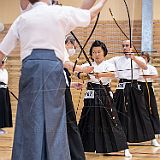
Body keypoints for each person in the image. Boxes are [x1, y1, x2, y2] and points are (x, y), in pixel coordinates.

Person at [0, 0, 108, 160]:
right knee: (55, 122)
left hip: (30, 70)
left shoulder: (23, 18)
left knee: (29, 120)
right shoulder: (59, 13)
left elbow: (2, 52)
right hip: (53, 70)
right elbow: (90, 13)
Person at [78, 40, 132, 157]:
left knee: (111, 119)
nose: (96, 54)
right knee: (87, 119)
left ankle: (124, 147)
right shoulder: (88, 65)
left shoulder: (108, 64)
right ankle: (81, 146)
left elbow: (113, 74)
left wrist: (101, 74)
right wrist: (84, 74)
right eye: (94, 52)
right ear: (91, 54)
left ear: (104, 53)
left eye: (99, 52)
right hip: (91, 94)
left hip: (103, 93)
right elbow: (78, 72)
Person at [107, 40, 156, 144]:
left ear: (132, 47)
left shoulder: (137, 58)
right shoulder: (117, 59)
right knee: (120, 112)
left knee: (142, 112)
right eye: (123, 46)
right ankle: (123, 139)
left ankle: (152, 138)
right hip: (121, 87)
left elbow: (145, 67)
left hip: (133, 86)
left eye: (127, 46)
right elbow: (105, 63)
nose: (125, 48)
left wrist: (133, 58)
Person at [138, 52, 160, 146]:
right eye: (141, 58)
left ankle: (154, 134)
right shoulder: (136, 68)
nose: (143, 59)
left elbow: (155, 76)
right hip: (138, 88)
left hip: (147, 87)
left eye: (144, 58)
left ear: (147, 59)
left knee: (151, 110)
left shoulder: (150, 67)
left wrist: (145, 76)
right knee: (140, 111)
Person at [0, 59, 12, 135]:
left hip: (4, 92)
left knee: (3, 109)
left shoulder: (5, 71)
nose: (1, 64)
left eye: (2, 62)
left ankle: (1, 127)